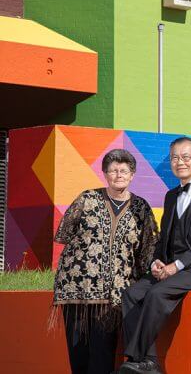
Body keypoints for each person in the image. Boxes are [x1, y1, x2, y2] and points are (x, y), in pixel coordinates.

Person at [119, 137, 191, 374]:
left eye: (186, 157)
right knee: (132, 294)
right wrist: (157, 262)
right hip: (174, 266)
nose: (180, 162)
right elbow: (165, 237)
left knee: (156, 293)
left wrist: (178, 265)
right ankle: (150, 361)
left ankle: (135, 359)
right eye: (174, 157)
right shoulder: (171, 196)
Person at [52, 149, 158, 374]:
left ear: (132, 174)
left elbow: (147, 248)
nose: (118, 175)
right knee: (78, 353)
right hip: (77, 290)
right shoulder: (87, 198)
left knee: (102, 355)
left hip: (114, 295)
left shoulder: (141, 208)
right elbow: (64, 233)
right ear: (105, 174)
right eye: (112, 170)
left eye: (123, 170)